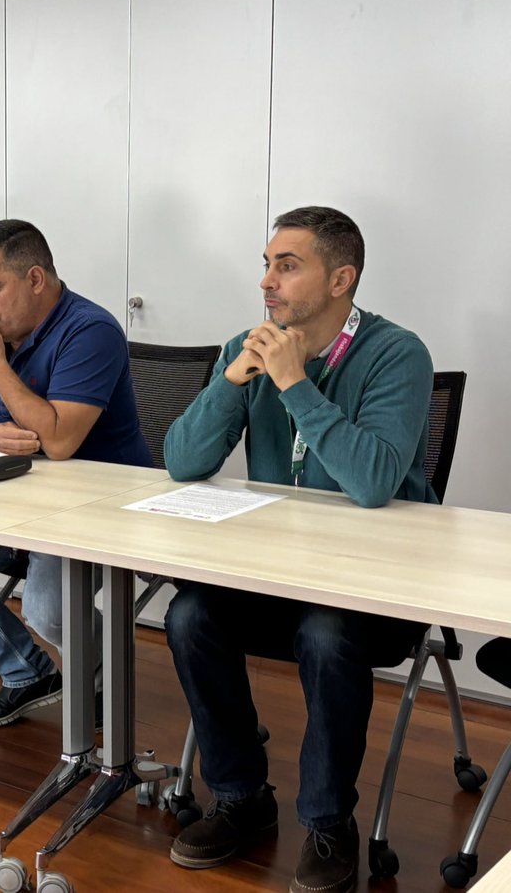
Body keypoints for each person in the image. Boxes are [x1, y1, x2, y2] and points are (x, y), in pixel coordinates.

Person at [163, 206, 433, 893]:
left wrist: (294, 384)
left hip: (373, 586)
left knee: (325, 631)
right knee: (190, 615)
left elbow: (372, 482)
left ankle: (328, 820)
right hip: (278, 572)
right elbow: (183, 461)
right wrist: (234, 382)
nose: (267, 282)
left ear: (341, 277)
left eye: (288, 265)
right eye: (266, 263)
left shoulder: (397, 353)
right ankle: (241, 796)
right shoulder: (246, 346)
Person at [0, 219, 152, 728]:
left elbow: (59, 441)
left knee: (47, 608)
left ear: (36, 279)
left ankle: (104, 671)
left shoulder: (91, 330)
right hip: (15, 502)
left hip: (98, 507)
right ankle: (27, 673)